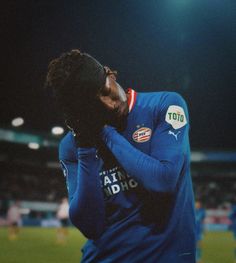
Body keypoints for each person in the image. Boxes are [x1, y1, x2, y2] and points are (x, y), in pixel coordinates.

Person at [46, 49, 196, 262]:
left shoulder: (164, 105)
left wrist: (104, 132)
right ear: (82, 110)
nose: (109, 103)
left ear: (110, 74)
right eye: (94, 103)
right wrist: (86, 147)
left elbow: (163, 180)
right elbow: (91, 226)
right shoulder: (72, 147)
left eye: (105, 90)